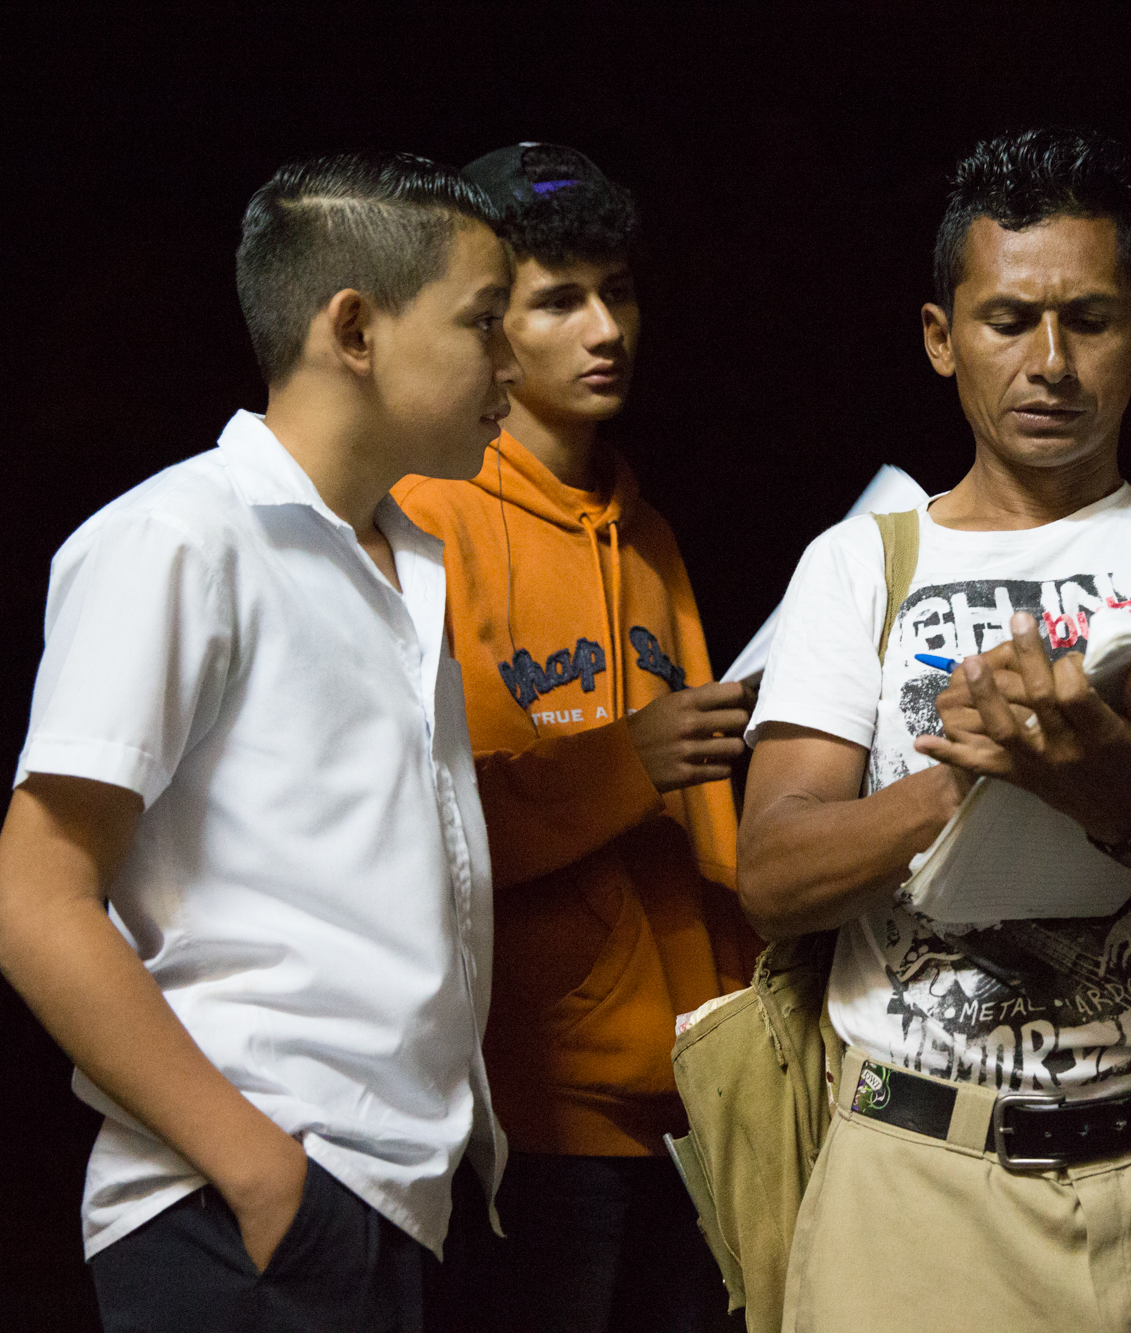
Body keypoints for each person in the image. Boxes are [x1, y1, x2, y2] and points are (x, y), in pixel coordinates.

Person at [738, 128, 1131, 1332]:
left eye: (1091, 319)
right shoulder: (858, 565)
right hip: (920, 1187)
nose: (1050, 361)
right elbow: (771, 874)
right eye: (1009, 320)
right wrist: (980, 775)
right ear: (938, 336)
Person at [0, 152, 517, 1332]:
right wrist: (265, 1177)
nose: (510, 365)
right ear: (354, 329)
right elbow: (30, 903)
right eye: (484, 323)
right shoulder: (177, 538)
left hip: (383, 1199)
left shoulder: (405, 558)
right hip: (245, 1204)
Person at [394, 142, 759, 1333]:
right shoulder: (421, 518)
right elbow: (413, 825)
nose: (607, 328)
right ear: (490, 330)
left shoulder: (645, 529)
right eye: (560, 300)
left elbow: (704, 811)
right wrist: (624, 760)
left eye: (620, 291)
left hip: (690, 1100)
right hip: (525, 1113)